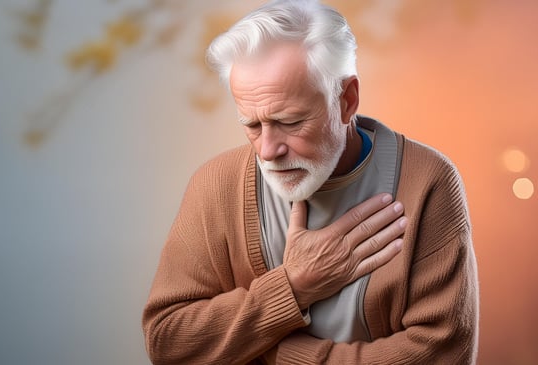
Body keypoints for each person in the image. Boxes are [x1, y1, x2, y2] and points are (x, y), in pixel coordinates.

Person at [142, 0, 479, 363]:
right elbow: (169, 343)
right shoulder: (216, 184)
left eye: (290, 122)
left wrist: (278, 356)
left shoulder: (427, 181)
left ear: (347, 100)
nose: (268, 150)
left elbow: (443, 354)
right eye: (252, 125)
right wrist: (293, 286)